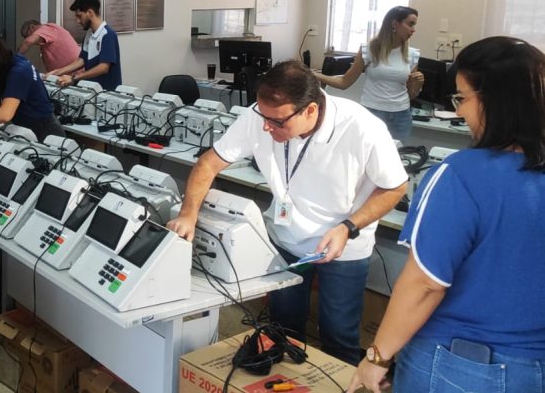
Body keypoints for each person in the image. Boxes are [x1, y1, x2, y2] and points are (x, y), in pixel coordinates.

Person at [167, 60, 407, 365]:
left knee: (339, 334)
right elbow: (208, 164)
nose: (266, 127)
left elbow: (394, 188)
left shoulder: (362, 127)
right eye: (263, 116)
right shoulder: (260, 116)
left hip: (343, 246)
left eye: (277, 122)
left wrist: (349, 226)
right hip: (286, 240)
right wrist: (188, 214)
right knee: (282, 329)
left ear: (310, 109)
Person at [348, 37, 545, 392]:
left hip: (463, 364)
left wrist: (377, 356)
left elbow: (425, 284)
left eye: (462, 98)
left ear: (495, 100)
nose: (458, 113)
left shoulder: (460, 174)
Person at [316, 6, 424, 141]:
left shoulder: (412, 54)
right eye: (410, 24)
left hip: (401, 116)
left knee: (398, 152)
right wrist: (313, 74)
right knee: (368, 152)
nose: (413, 30)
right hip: (373, 112)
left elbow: (411, 95)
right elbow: (344, 82)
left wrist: (418, 85)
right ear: (395, 24)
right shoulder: (369, 50)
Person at [0, 32, 64, 140]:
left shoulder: (18, 71)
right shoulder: (7, 64)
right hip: (24, 127)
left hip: (44, 131)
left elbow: (5, 114)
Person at [47, 0, 121, 90]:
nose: (78, 21)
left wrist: (74, 78)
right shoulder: (88, 35)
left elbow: (103, 67)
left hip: (107, 92)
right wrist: (57, 72)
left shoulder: (108, 34)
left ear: (90, 12)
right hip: (92, 90)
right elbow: (82, 60)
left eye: (79, 16)